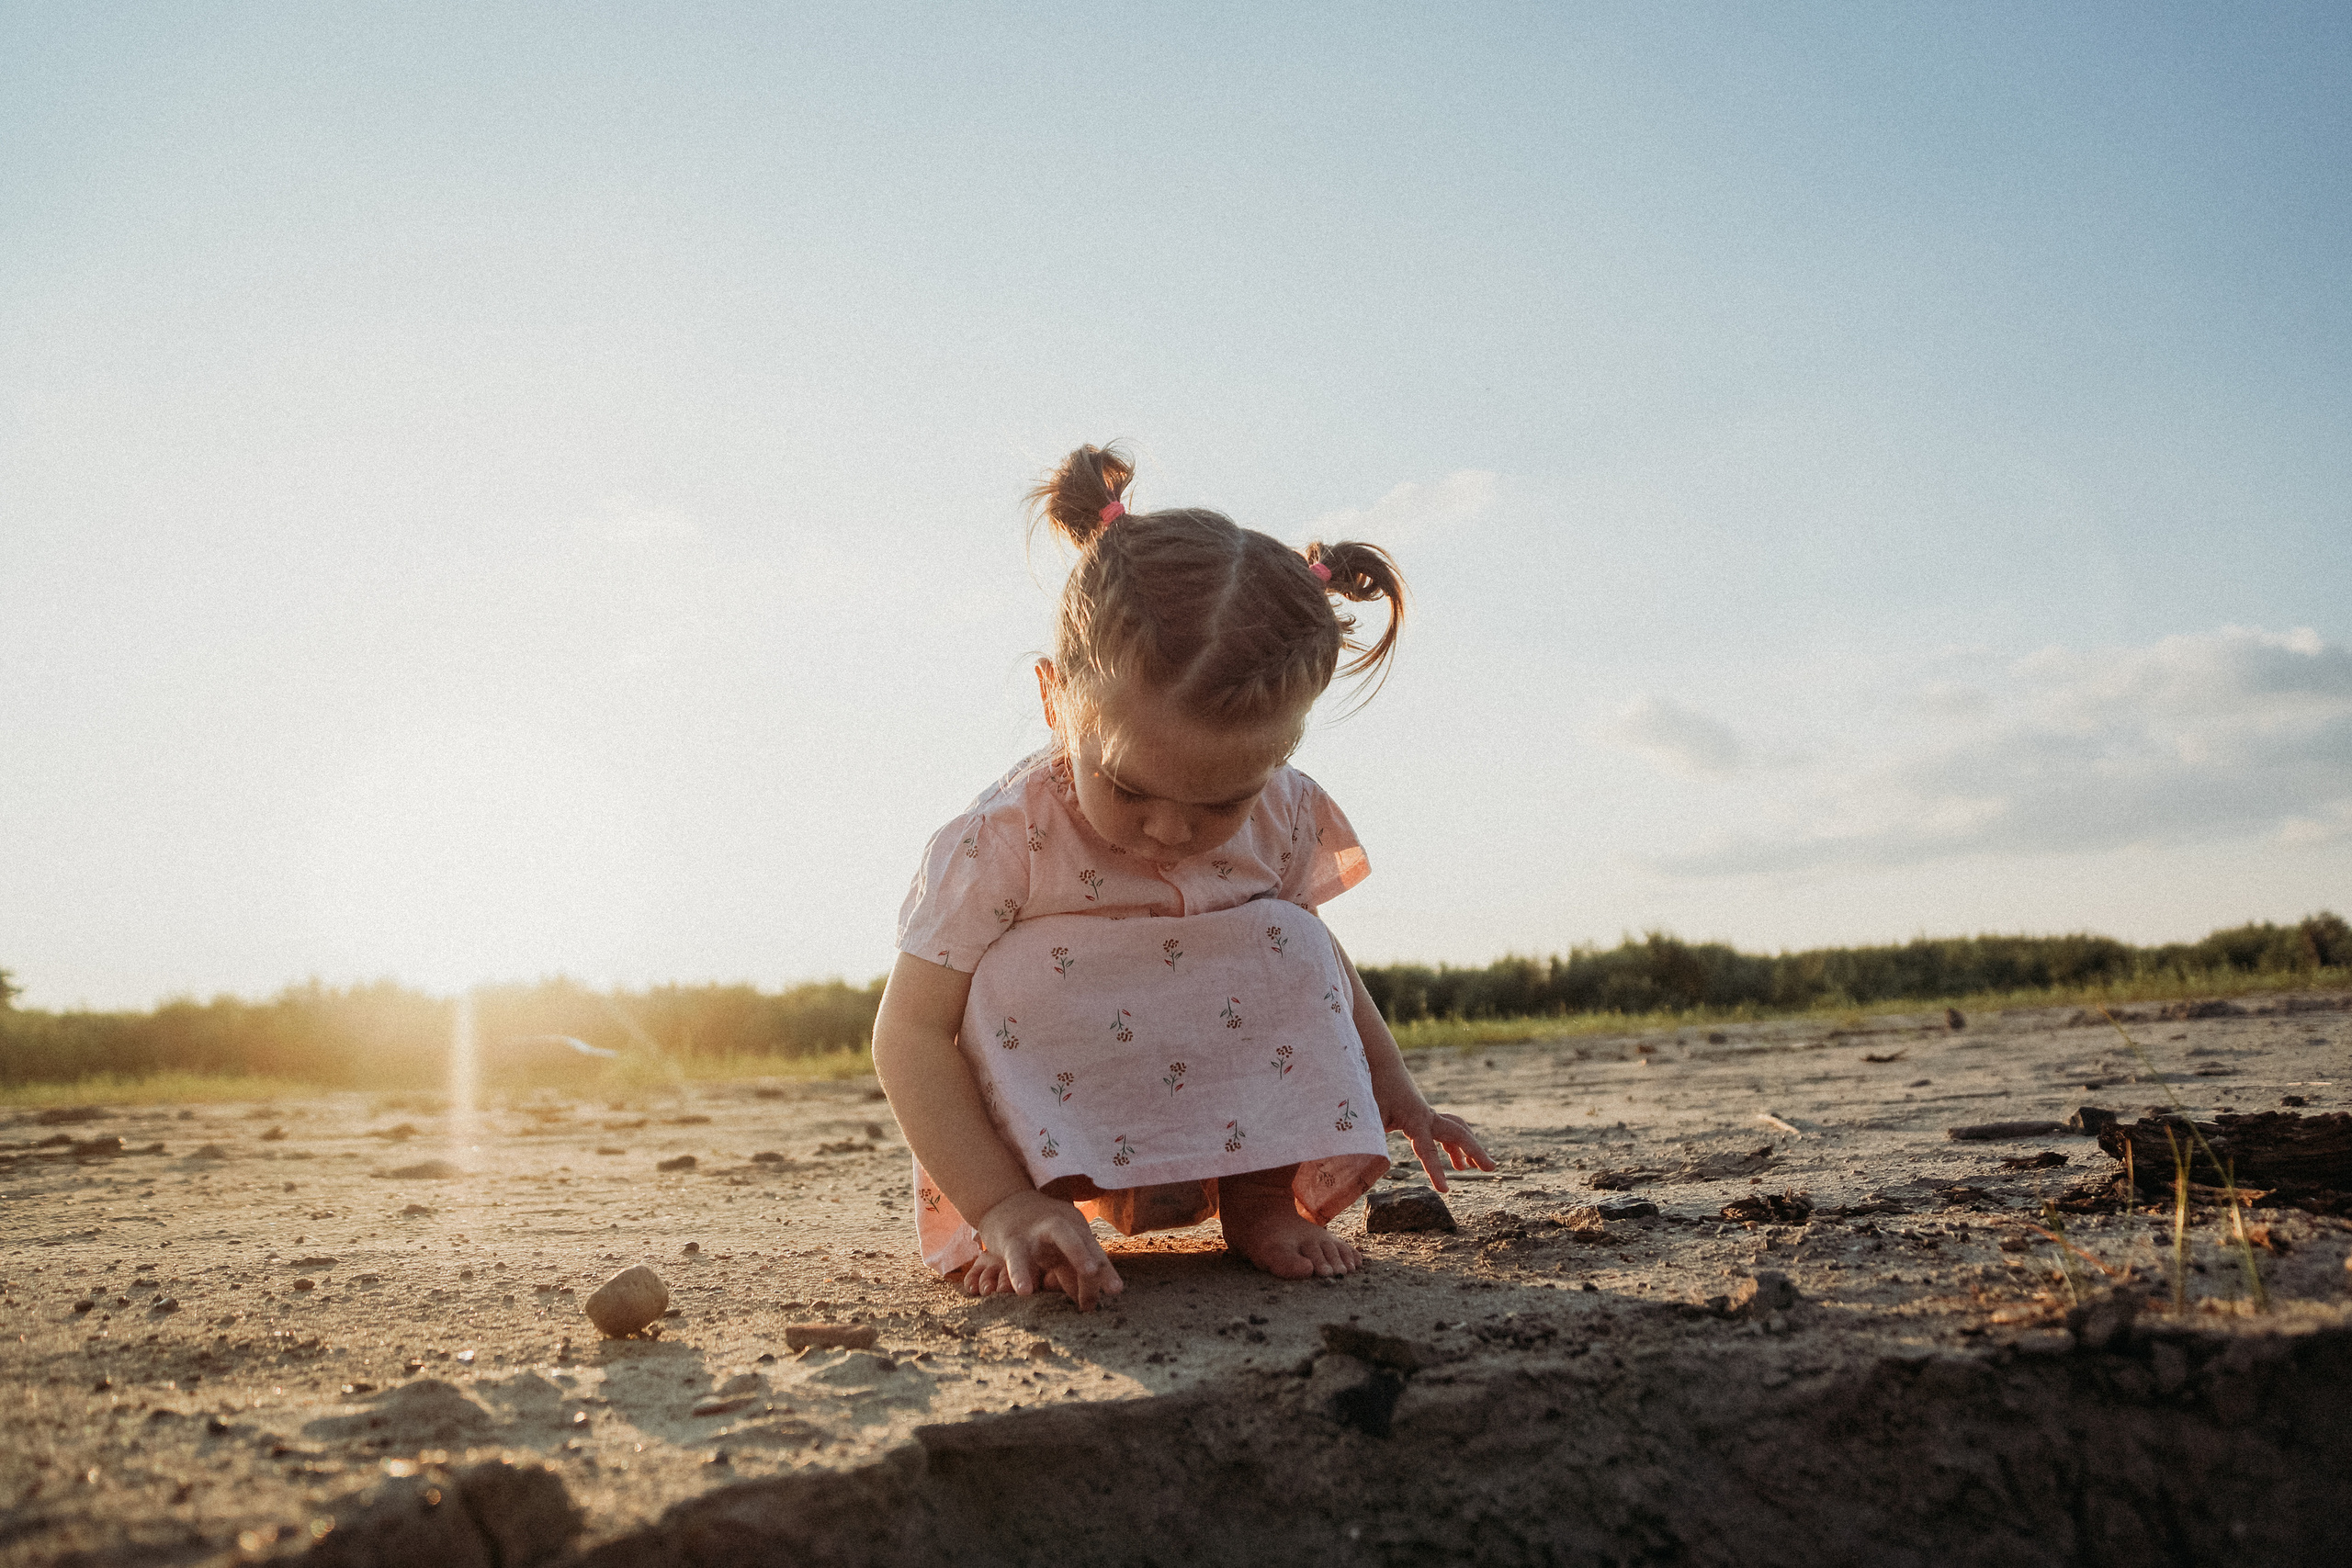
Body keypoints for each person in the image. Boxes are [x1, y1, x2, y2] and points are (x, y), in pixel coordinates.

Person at [871, 442, 1493, 1311]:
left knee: (1288, 931)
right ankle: (1041, 1221)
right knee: (1013, 969)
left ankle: (1258, 1198)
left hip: (1229, 1103)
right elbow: (906, 1036)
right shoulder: (1004, 839)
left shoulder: (1280, 810)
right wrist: (999, 1201)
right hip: (1051, 1131)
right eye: (1128, 786)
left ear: (1282, 752)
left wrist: (1400, 1093)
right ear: (1058, 703)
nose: (1170, 829)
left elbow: (1316, 972)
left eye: (1218, 803)